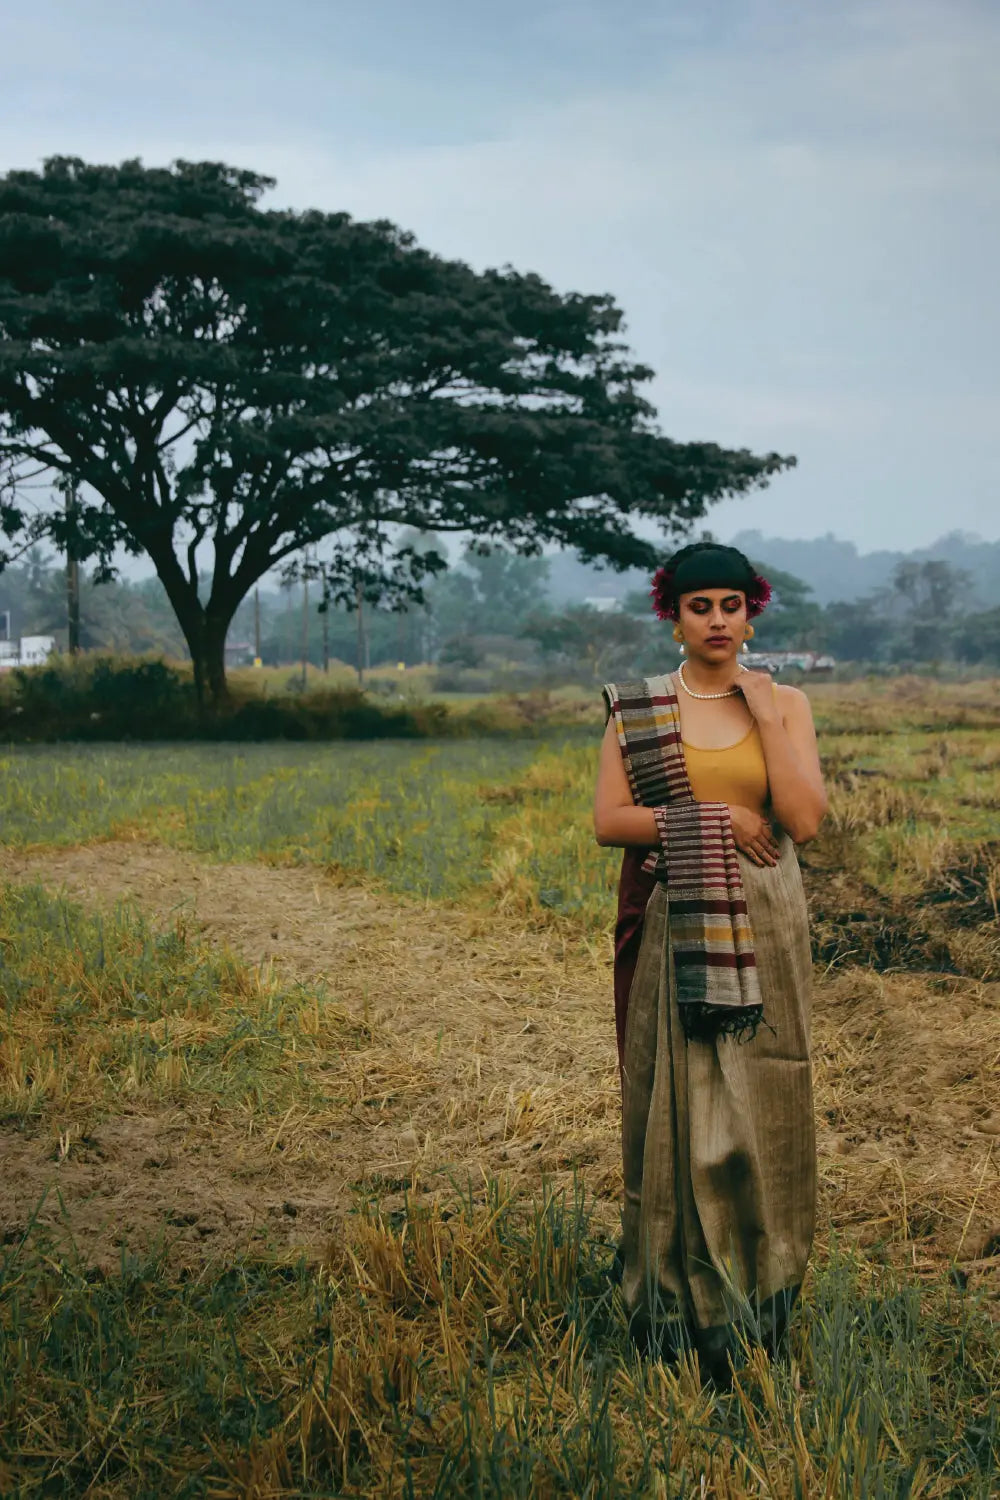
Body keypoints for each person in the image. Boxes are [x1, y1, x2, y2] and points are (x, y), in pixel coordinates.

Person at [593, 541, 827, 1382]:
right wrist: (717, 819)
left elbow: (801, 821)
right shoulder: (642, 709)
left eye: (732, 604)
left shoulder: (788, 702)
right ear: (674, 614)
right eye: (701, 607)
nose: (718, 621)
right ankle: (673, 1309)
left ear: (752, 610)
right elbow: (610, 821)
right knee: (679, 1107)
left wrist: (763, 715)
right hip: (678, 918)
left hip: (767, 919)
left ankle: (761, 1301)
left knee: (766, 1093)